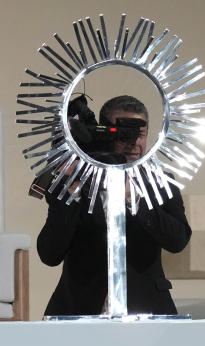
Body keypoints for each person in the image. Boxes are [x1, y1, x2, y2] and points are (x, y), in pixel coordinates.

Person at [36, 95, 191, 316]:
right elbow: (50, 254)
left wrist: (134, 198)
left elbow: (178, 240)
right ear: (103, 133)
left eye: (141, 134)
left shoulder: (160, 182)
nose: (134, 143)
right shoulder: (74, 183)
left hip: (147, 307)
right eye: (124, 133)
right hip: (80, 309)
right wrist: (72, 190)